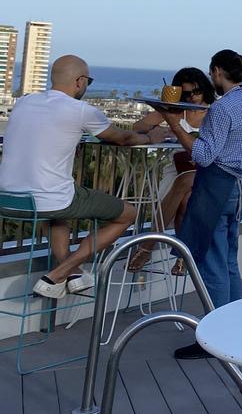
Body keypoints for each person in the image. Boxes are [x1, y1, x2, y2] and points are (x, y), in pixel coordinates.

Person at [0, 55, 152, 298]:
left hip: (9, 200)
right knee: (128, 214)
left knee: (59, 214)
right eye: (88, 81)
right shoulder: (80, 110)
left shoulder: (24, 102)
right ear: (80, 81)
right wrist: (150, 138)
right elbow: (122, 138)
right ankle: (61, 271)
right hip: (49, 200)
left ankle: (71, 274)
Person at [159, 49, 242, 359]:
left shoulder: (222, 110)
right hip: (238, 187)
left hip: (216, 185)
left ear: (218, 72)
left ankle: (217, 338)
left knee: (211, 261)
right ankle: (236, 327)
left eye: (212, 73)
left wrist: (176, 126)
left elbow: (204, 155)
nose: (211, 79)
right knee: (229, 260)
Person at [126, 67, 217, 273]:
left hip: (204, 169)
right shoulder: (174, 111)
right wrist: (162, 129)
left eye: (196, 92)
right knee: (185, 199)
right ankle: (184, 255)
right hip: (176, 168)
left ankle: (147, 247)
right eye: (186, 94)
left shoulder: (214, 111)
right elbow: (137, 127)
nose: (192, 97)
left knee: (186, 182)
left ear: (204, 88)